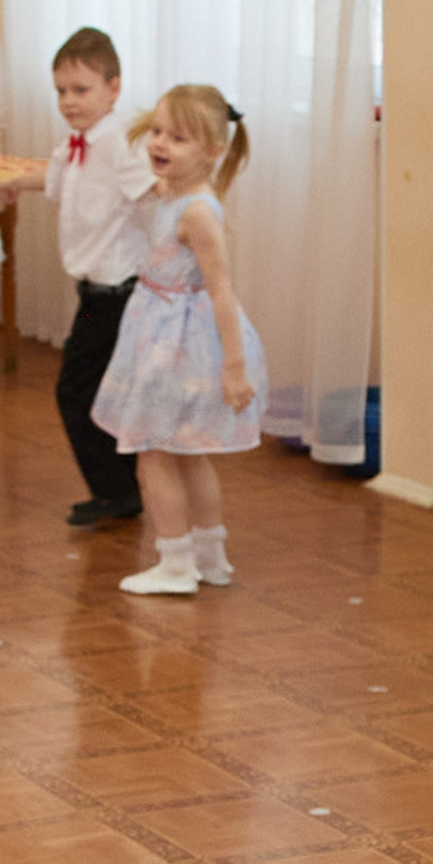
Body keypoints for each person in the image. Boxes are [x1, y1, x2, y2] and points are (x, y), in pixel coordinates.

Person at [91, 85, 269, 596]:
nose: (160, 144)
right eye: (157, 131)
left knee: (152, 451)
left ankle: (173, 563)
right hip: (162, 327)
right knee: (188, 452)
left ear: (212, 151)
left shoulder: (197, 212)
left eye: (179, 138)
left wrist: (233, 368)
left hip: (178, 342)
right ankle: (210, 556)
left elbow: (222, 291)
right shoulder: (172, 192)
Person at [0, 27, 154, 528]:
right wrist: (9, 183)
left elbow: (153, 186)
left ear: (114, 88)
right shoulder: (77, 144)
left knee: (76, 390)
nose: (69, 101)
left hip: (117, 293)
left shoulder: (119, 145)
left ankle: (116, 489)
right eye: (61, 91)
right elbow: (55, 178)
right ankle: (121, 486)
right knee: (104, 391)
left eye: (81, 90)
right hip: (92, 290)